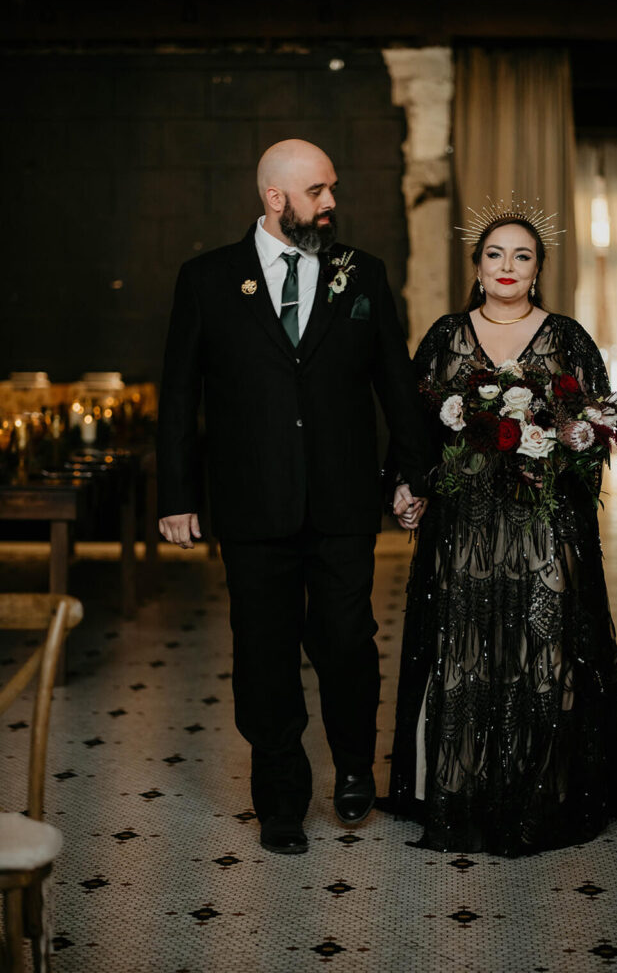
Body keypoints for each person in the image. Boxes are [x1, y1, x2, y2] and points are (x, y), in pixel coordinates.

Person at [156, 139, 429, 856]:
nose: (331, 202)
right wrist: (177, 494)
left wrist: (409, 473)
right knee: (264, 652)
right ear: (275, 198)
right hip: (251, 506)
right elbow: (180, 394)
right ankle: (280, 795)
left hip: (342, 503)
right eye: (316, 190)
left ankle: (351, 766)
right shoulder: (208, 279)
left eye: (332, 187)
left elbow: (395, 386)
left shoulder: (360, 274)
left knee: (346, 642)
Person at [383, 201, 617, 856]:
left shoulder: (567, 337)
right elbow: (412, 432)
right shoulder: (443, 336)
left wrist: (573, 437)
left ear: (537, 269)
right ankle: (461, 786)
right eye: (495, 255)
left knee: (540, 653)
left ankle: (541, 785)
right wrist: (407, 488)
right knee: (465, 650)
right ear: (477, 268)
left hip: (544, 528)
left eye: (521, 255)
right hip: (465, 529)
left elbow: (594, 426)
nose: (507, 266)